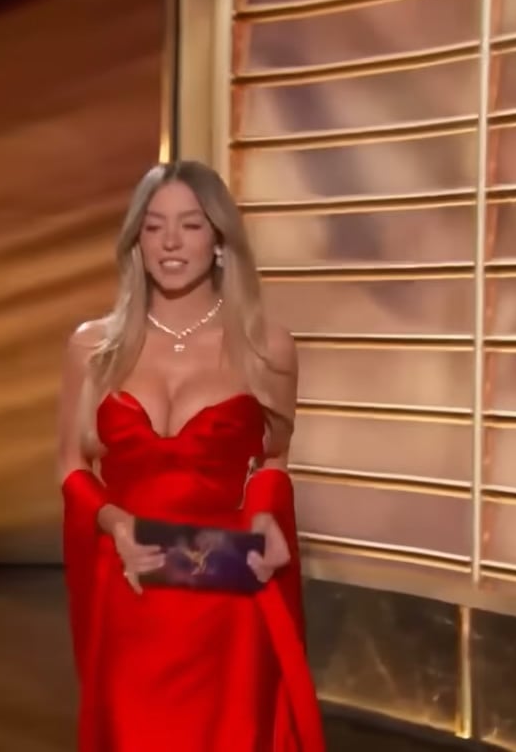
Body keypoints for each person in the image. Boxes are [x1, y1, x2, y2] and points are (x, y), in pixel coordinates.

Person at [57, 159, 325, 751]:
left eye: (191, 225)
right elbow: (72, 465)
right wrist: (114, 522)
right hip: (130, 589)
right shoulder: (92, 347)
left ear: (219, 239)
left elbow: (272, 461)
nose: (171, 242)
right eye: (154, 227)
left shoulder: (266, 346)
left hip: (226, 597)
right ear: (136, 241)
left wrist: (266, 518)